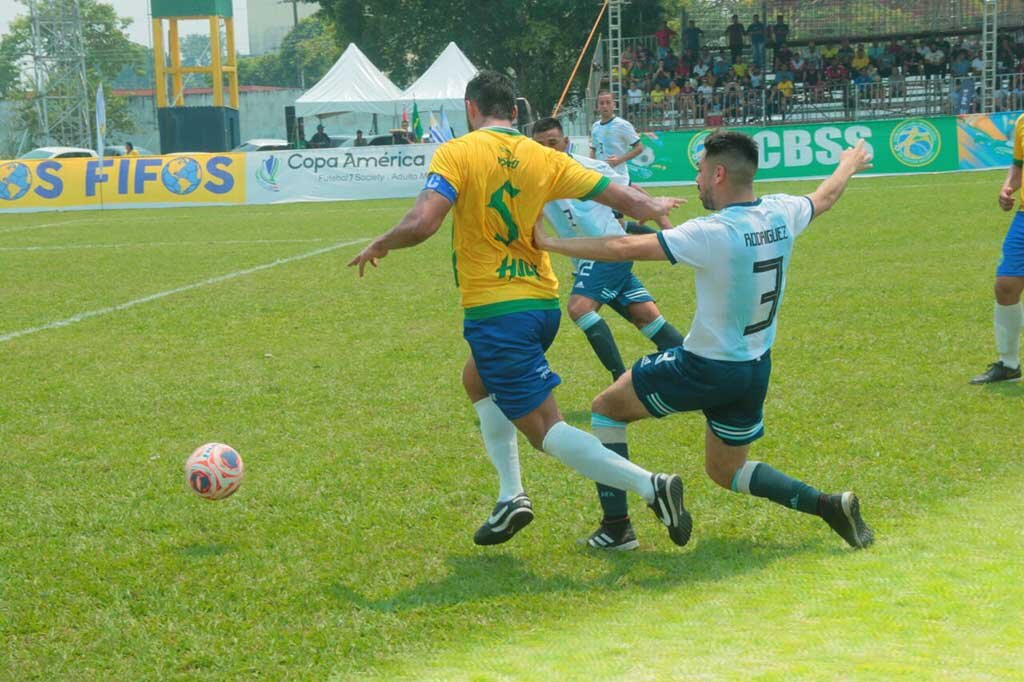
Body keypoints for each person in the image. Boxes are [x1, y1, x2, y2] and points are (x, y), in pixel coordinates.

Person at [348, 71, 691, 548]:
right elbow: (622, 196)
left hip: (497, 309)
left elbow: (424, 222)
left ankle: (650, 486)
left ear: (471, 109)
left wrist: (381, 243)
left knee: (545, 430)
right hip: (540, 303)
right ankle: (511, 495)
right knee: (477, 378)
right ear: (515, 112)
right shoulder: (544, 157)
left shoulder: (457, 152)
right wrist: (653, 206)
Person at [533, 130, 876, 551]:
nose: (695, 181)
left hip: (704, 366)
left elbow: (623, 245)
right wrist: (848, 164)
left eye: (698, 172)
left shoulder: (713, 231)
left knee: (606, 409)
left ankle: (617, 528)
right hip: (754, 369)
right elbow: (824, 196)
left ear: (717, 174)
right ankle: (828, 505)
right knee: (726, 471)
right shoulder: (781, 211)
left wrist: (549, 242)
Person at [533, 117, 687, 549]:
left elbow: (628, 193)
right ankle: (701, 370)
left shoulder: (591, 168)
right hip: (589, 261)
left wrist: (655, 209)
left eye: (554, 142)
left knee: (579, 308)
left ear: (566, 141)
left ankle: (623, 377)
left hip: (609, 253)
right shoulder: (534, 178)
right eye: (541, 144)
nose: (549, 149)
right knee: (649, 321)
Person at [972, 112, 1024, 383]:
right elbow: (1018, 167)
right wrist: (1007, 188)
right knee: (1006, 285)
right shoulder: (1022, 123)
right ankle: (1009, 364)